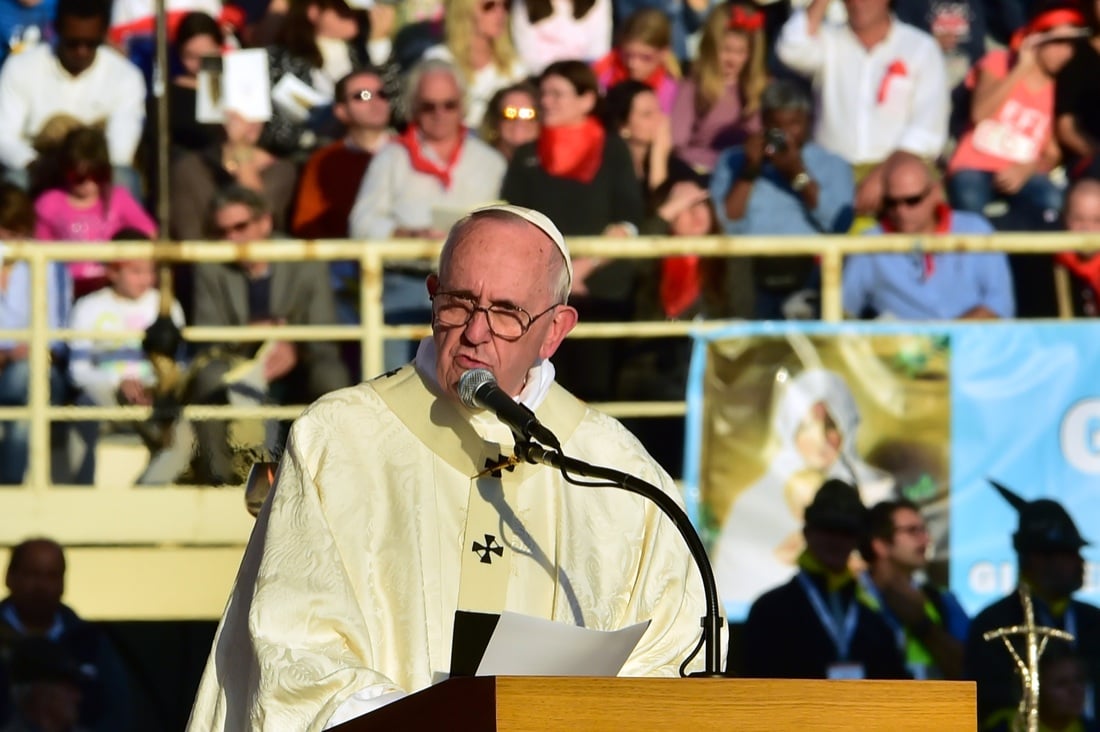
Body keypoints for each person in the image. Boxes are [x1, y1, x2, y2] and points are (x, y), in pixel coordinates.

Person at [186, 204, 709, 729]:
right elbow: (294, 652)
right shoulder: (340, 441)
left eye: (507, 312)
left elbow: (674, 650)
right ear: (433, 294)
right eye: (458, 304)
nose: (476, 332)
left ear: (554, 331)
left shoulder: (616, 469)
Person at [348, 58, 506, 372]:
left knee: (463, 389)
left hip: (473, 294)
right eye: (428, 106)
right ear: (413, 107)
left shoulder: (491, 162)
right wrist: (408, 236)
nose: (439, 114)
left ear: (462, 106)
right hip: (403, 285)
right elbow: (361, 224)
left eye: (448, 105)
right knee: (392, 390)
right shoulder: (391, 157)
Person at [185, 185, 349, 486]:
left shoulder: (305, 259)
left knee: (330, 375)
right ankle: (218, 480)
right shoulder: (211, 266)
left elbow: (324, 333)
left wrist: (293, 348)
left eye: (240, 227)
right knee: (209, 377)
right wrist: (251, 337)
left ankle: (333, 480)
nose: (231, 238)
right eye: (222, 231)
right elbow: (209, 341)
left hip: (301, 361)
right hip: (239, 360)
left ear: (265, 223)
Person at [712, 368, 895, 619]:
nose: (821, 439)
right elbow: (733, 575)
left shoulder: (880, 490)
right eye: (807, 426)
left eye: (831, 425)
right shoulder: (754, 500)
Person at [775, 0, 949, 217]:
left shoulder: (920, 47)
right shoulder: (829, 39)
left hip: (900, 175)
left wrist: (883, 174)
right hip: (833, 174)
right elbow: (791, 48)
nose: (858, 3)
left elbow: (928, 130)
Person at [710, 78, 853, 320]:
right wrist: (749, 172)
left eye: (794, 125)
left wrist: (796, 172)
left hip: (808, 272)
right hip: (747, 272)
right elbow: (723, 223)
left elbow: (839, 223)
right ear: (764, 122)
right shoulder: (733, 160)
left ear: (808, 122)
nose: (786, 135)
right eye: (777, 126)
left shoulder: (832, 164)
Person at [740, 479, 908, 679]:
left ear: (857, 538)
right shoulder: (770, 612)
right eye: (828, 528)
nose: (836, 540)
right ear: (807, 532)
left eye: (846, 531)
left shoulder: (874, 619)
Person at [965, 480, 1100, 729]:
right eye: (1068, 553)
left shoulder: (1093, 621)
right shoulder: (994, 625)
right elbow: (984, 707)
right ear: (1036, 559)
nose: (1081, 563)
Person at [946, 1, 1083, 232]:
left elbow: (1051, 153)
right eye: (1058, 43)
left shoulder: (1061, 86)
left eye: (1071, 44)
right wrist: (1020, 68)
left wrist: (1026, 169)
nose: (1066, 53)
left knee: (1052, 200)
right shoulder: (999, 62)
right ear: (1036, 41)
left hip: (1023, 172)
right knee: (969, 198)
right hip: (974, 166)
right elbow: (980, 113)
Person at [842, 151, 1015, 320]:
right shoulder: (870, 246)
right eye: (891, 203)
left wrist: (943, 341)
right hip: (900, 347)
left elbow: (1000, 304)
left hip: (973, 345)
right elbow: (842, 312)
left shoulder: (976, 230)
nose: (901, 211)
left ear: (935, 193)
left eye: (912, 200)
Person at [65, 248, 186, 486]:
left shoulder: (167, 305)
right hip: (106, 396)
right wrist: (119, 382)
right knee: (84, 408)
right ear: (112, 271)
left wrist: (154, 388)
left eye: (150, 271)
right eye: (136, 271)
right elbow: (77, 371)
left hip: (154, 397)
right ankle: (81, 493)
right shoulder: (88, 306)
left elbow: (179, 364)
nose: (146, 279)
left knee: (187, 437)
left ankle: (142, 499)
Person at [0, 0, 146, 192]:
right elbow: (4, 137)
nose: (81, 51)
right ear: (56, 30)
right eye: (73, 43)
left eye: (91, 43)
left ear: (104, 35)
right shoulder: (20, 67)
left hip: (98, 170)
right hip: (38, 166)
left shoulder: (126, 77)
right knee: (14, 183)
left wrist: (82, 169)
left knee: (124, 180)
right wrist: (33, 163)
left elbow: (120, 150)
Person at [0, 539, 130, 730]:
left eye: (52, 576)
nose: (41, 586)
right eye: (32, 574)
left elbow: (120, 713)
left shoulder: (89, 641)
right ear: (9, 577)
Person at [0, 184, 72, 486]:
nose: (7, 238)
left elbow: (57, 338)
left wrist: (18, 354)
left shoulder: (51, 266)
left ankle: (9, 488)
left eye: (15, 230)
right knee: (26, 403)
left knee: (29, 382)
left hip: (33, 367)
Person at [34, 126, 157, 298]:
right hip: (66, 290)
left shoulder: (118, 198)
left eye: (98, 176)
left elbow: (150, 235)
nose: (89, 184)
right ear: (65, 170)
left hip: (111, 290)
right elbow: (40, 255)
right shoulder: (49, 203)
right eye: (79, 178)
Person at [857, 499, 969, 680]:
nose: (926, 539)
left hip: (930, 707)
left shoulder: (941, 599)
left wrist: (923, 625)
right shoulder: (848, 598)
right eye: (912, 531)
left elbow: (970, 671)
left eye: (924, 530)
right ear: (880, 545)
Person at [670, 1, 766, 178]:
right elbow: (678, 144)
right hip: (702, 172)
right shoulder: (694, 86)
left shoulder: (760, 89)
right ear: (712, 47)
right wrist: (719, 161)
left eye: (741, 52)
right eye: (726, 50)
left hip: (747, 176)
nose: (732, 60)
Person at [422, 0, 527, 128]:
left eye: (506, 5)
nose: (500, 13)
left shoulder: (515, 66)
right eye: (489, 6)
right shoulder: (439, 59)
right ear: (465, 10)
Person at [592, 8, 679, 113]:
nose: (633, 64)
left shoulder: (673, 93)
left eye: (645, 57)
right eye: (627, 54)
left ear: (664, 53)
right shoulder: (601, 76)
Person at [510, 0, 612, 74]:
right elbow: (529, 57)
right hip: (539, 79)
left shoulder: (599, 2)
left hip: (582, 80)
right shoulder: (525, 3)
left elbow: (597, 53)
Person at [1056, 178, 1100, 315]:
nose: (1087, 229)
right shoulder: (1048, 266)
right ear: (1065, 219)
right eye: (1078, 219)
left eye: (1097, 220)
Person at [478, 81, 541, 161]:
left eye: (528, 113)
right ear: (496, 121)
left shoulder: (550, 166)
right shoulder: (480, 162)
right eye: (510, 113)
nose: (519, 121)